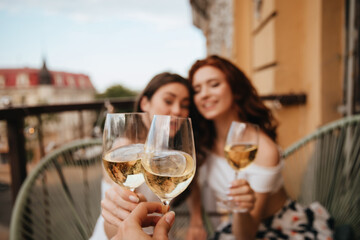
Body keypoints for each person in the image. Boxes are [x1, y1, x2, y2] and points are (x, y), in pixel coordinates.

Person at [187, 55, 333, 239]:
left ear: (236, 89)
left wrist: (241, 207)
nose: (204, 94)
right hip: (234, 224)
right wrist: (196, 220)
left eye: (214, 84)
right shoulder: (204, 140)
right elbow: (194, 182)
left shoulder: (263, 150)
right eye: (197, 89)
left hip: (280, 228)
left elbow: (245, 235)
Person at [90, 72, 198, 239]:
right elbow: (114, 225)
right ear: (145, 103)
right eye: (168, 101)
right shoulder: (123, 152)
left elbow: (192, 182)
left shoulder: (175, 151)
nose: (177, 110)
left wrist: (196, 220)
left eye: (184, 105)